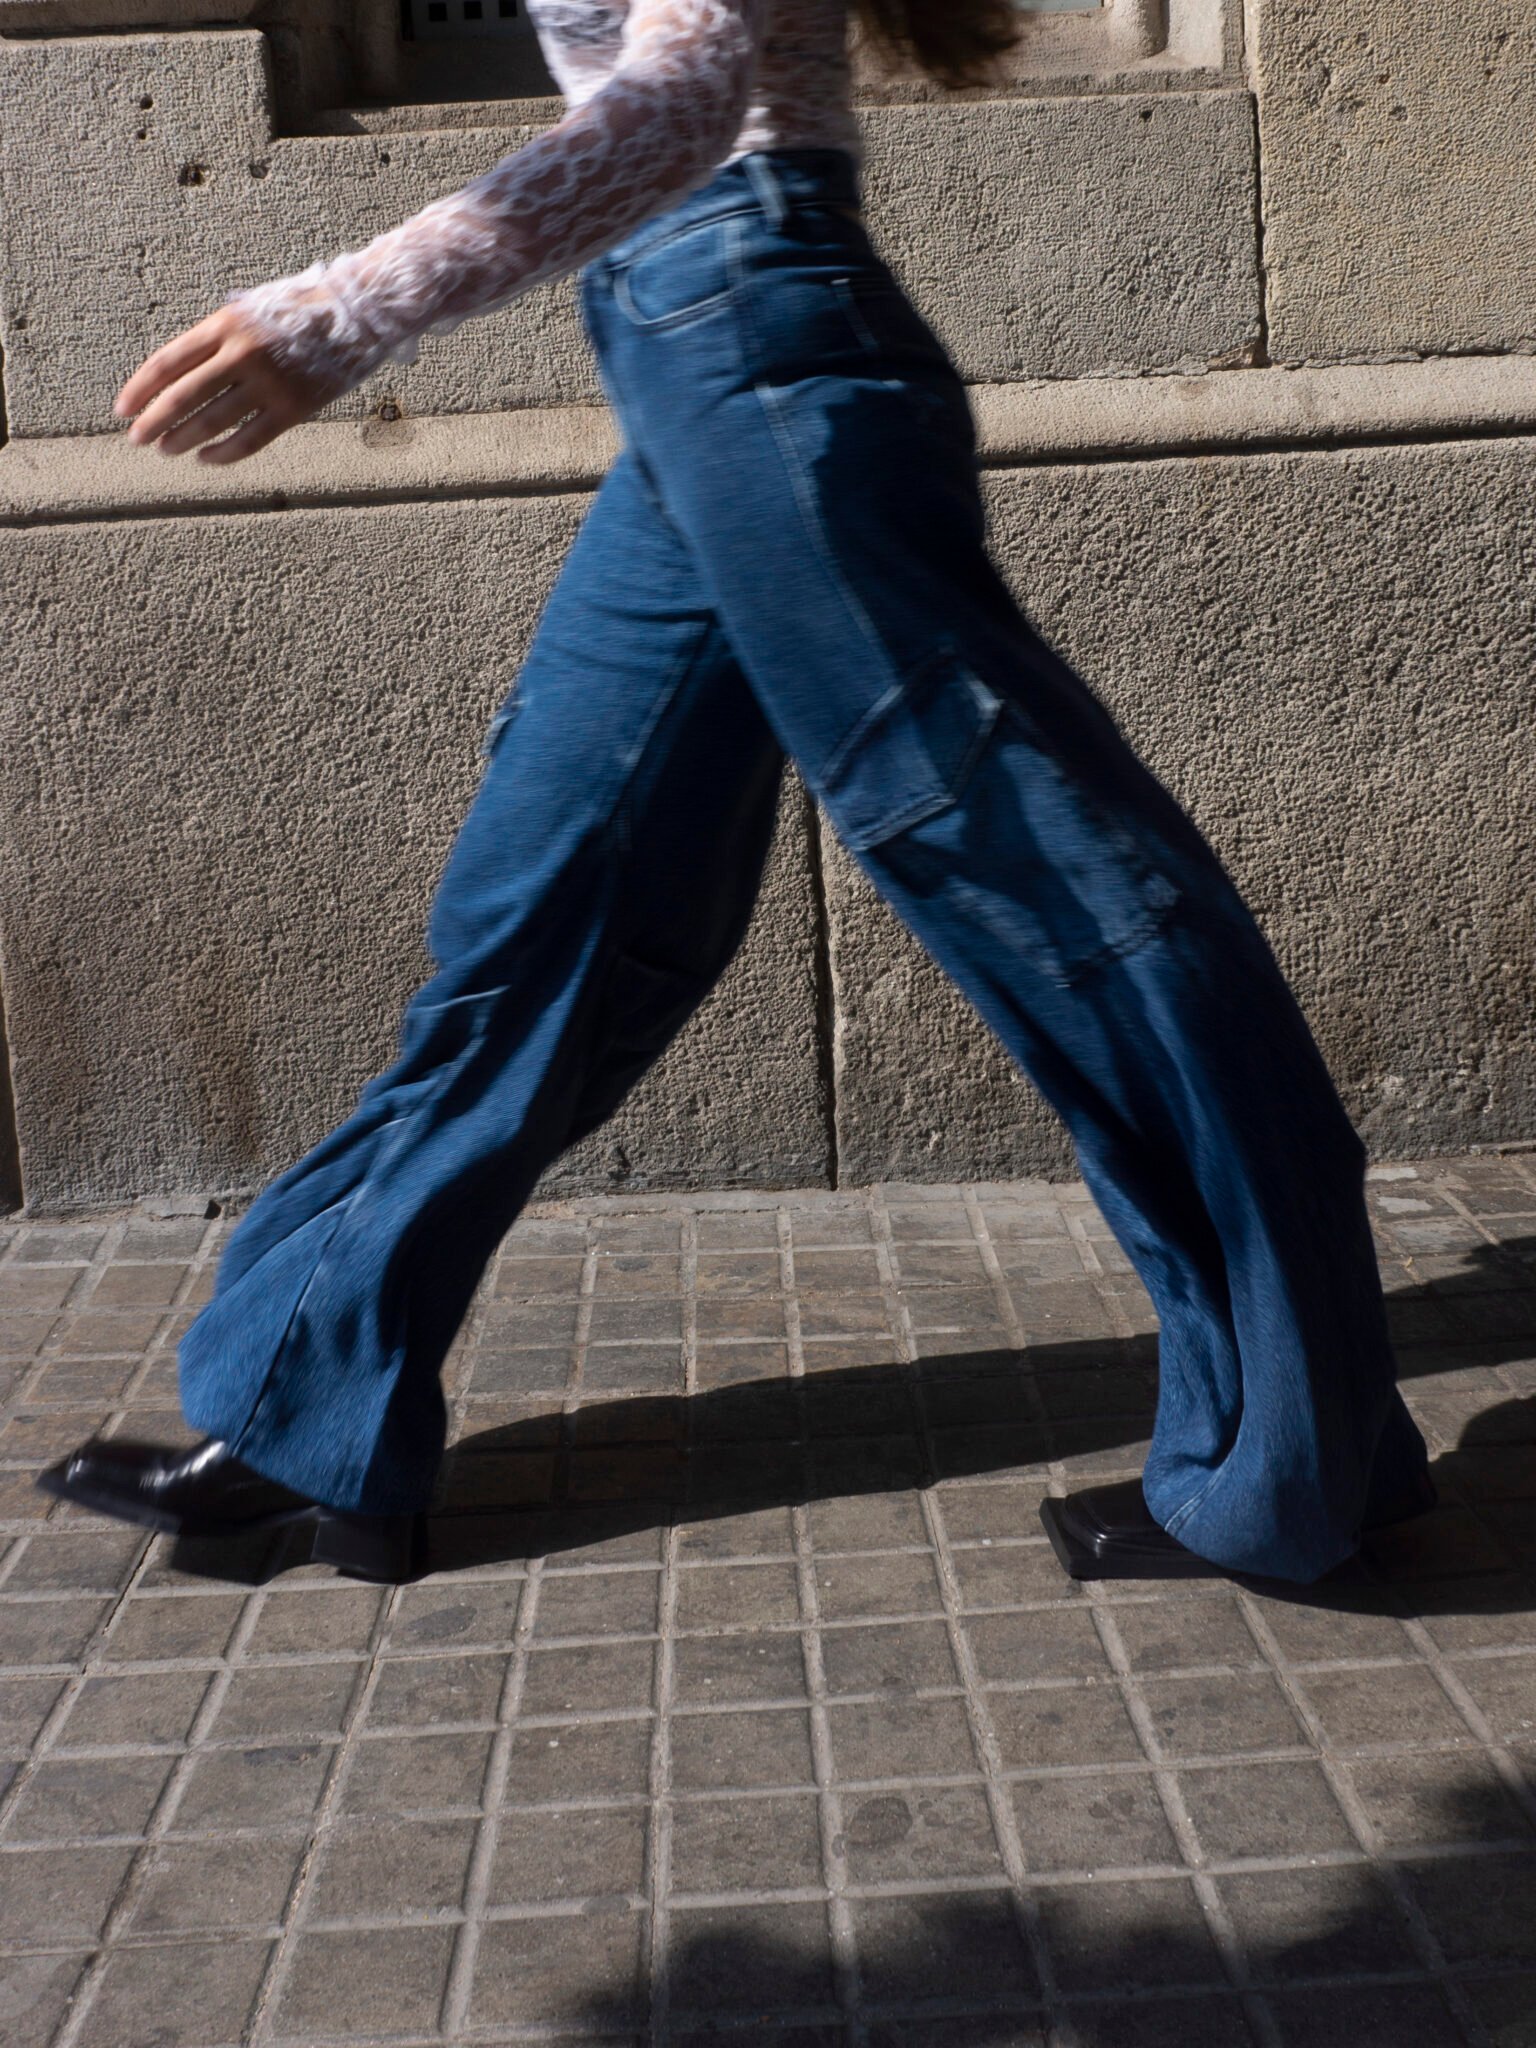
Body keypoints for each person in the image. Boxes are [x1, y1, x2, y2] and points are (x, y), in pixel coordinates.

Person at [40, 0, 1435, 1587]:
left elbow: (686, 94)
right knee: (554, 890)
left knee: (1066, 894)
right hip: (688, 356)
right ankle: (309, 1409)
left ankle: (1302, 1458)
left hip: (760, 333)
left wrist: (340, 313)